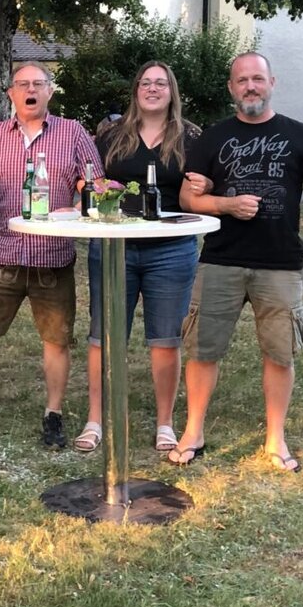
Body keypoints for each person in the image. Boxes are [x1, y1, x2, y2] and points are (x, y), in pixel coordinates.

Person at [175, 52, 303, 473]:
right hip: (220, 260)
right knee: (202, 349)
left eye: (258, 79)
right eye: (242, 80)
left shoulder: (301, 137)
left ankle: (274, 438)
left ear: (272, 82)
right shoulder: (212, 137)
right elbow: (187, 198)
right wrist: (226, 204)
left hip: (280, 264)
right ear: (231, 87)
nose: (250, 86)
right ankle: (194, 431)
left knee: (280, 354)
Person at [0, 61, 103, 449]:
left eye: (38, 84)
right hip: (2, 253)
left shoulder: (73, 133)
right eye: (22, 84)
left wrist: (82, 198)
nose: (30, 90)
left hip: (53, 256)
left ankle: (54, 414)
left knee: (56, 340)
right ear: (11, 94)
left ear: (50, 91)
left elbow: (96, 183)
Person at [74, 61, 208, 454]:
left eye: (160, 83)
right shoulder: (112, 135)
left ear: (172, 91)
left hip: (171, 251)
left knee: (165, 340)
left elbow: (204, 185)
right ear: (136, 90)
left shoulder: (192, 137)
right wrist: (89, 187)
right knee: (103, 337)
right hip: (114, 247)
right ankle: (95, 419)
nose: (152, 89)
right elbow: (89, 181)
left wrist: (206, 183)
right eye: (146, 83)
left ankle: (165, 423)